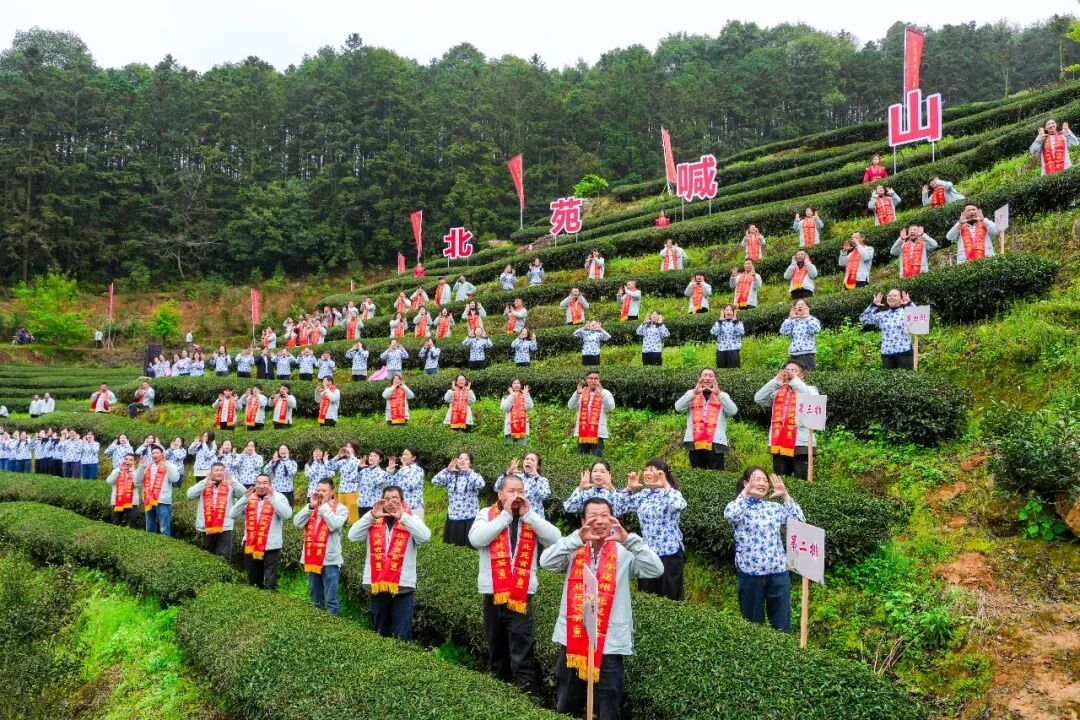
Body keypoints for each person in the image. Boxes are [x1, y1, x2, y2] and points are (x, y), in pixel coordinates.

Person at [540, 497, 663, 720]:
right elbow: (546, 562)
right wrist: (575, 538)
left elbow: (656, 569)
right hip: (573, 638)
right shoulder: (574, 548)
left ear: (613, 519)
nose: (599, 521)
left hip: (610, 642)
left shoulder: (624, 552)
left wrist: (629, 540)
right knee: (567, 701)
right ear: (583, 521)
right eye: (593, 516)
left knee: (609, 703)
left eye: (605, 515)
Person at [469, 474, 562, 693]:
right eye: (511, 491)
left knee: (522, 651)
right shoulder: (486, 514)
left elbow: (556, 538)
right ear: (500, 494)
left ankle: (526, 696)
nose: (516, 495)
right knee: (497, 649)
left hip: (521, 596)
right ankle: (501, 695)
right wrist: (505, 516)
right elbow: (476, 540)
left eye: (520, 491)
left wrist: (529, 516)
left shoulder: (531, 516)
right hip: (493, 594)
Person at [724, 467, 804, 632]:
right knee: (752, 626)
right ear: (746, 483)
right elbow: (730, 516)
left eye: (765, 480)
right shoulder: (739, 507)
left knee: (782, 624)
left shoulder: (773, 508)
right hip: (751, 575)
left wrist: (785, 495)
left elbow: (799, 523)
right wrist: (745, 494)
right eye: (757, 479)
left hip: (778, 573)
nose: (762, 483)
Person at [348, 486, 432, 640]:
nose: (390, 502)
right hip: (378, 584)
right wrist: (371, 515)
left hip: (403, 586)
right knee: (379, 633)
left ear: (402, 501)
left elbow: (425, 537)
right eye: (387, 499)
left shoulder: (411, 518)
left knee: (402, 635)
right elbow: (352, 536)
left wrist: (403, 517)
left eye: (395, 499)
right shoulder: (373, 518)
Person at [616, 459, 686, 600]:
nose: (647, 473)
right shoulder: (644, 494)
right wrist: (629, 488)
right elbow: (617, 508)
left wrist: (665, 485)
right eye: (646, 469)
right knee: (647, 596)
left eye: (652, 470)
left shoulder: (671, 493)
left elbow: (679, 505)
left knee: (671, 597)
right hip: (647, 553)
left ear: (662, 474)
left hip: (669, 554)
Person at [754, 362, 819, 480]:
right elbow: (758, 398)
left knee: (803, 482)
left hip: (802, 444)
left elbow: (811, 400)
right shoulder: (778, 392)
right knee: (781, 482)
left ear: (802, 375)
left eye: (794, 371)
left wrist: (794, 381)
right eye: (787, 370)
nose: (789, 373)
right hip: (779, 443)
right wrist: (776, 381)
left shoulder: (810, 389)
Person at [294, 478, 349, 615]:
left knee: (331, 598)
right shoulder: (312, 507)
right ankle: (317, 623)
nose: (320, 493)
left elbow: (334, 525)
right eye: (318, 490)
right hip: (311, 558)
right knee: (315, 596)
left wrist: (323, 506)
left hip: (330, 560)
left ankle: (333, 623)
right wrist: (311, 507)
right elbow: (297, 523)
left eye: (324, 490)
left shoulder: (341, 509)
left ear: (332, 492)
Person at [674, 368, 738, 469]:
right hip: (695, 442)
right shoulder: (692, 394)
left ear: (715, 379)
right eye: (704, 375)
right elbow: (678, 408)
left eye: (711, 376)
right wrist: (694, 393)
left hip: (715, 443)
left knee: (716, 475)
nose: (708, 378)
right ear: (699, 378)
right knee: (697, 473)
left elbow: (733, 411)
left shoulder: (722, 395)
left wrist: (719, 394)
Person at [187, 461, 248, 558]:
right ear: (211, 473)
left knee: (224, 556)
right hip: (207, 525)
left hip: (225, 526)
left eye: (221, 470)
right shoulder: (204, 485)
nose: (219, 472)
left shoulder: (230, 486)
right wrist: (204, 482)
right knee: (207, 554)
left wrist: (233, 481)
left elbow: (245, 494)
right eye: (216, 470)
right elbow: (189, 495)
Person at [432, 452, 485, 546]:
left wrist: (469, 472)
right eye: (460, 458)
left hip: (469, 517)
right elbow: (435, 481)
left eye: (466, 459)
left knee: (469, 548)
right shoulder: (451, 475)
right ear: (456, 461)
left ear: (470, 463)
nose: (462, 461)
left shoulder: (473, 475)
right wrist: (447, 470)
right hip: (453, 516)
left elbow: (481, 484)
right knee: (452, 547)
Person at [860, 289, 917, 369]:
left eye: (895, 295)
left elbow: (919, 318)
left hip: (904, 352)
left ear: (901, 299)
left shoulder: (906, 313)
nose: (891, 297)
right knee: (888, 377)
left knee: (905, 376)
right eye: (889, 296)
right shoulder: (882, 315)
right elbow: (863, 319)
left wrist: (909, 303)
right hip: (887, 353)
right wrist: (874, 305)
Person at [135, 445, 181, 536]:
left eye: (157, 453)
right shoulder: (147, 467)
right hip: (149, 501)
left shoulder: (169, 465)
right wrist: (141, 467)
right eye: (153, 453)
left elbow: (175, 479)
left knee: (164, 529)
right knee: (149, 528)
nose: (154, 455)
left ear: (162, 454)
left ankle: (165, 543)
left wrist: (166, 463)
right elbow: (137, 482)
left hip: (162, 501)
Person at [568, 372, 615, 456]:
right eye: (591, 378)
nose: (593, 381)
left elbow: (611, 408)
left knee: (598, 458)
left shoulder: (605, 392)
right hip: (582, 432)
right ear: (587, 380)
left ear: (599, 380)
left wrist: (602, 393)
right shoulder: (580, 392)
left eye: (596, 378)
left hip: (597, 433)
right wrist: (577, 394)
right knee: (581, 459)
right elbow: (571, 406)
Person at [495, 454, 551, 519]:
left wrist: (536, 476)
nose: (528, 461)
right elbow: (497, 488)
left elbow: (545, 495)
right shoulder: (516, 477)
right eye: (527, 459)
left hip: (534, 520)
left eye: (532, 460)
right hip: (515, 519)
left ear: (537, 466)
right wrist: (508, 472)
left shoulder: (542, 480)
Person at [780, 300, 821, 370]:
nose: (800, 306)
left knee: (808, 374)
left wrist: (807, 317)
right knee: (794, 375)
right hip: (794, 354)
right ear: (794, 309)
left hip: (807, 354)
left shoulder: (812, 319)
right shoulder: (793, 321)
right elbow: (783, 332)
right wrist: (790, 318)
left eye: (802, 305)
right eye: (798, 305)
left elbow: (816, 330)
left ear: (807, 308)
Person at [384, 448, 426, 518]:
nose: (403, 456)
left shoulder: (418, 470)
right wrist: (390, 470)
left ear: (414, 457)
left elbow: (411, 484)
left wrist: (405, 470)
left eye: (406, 454)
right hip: (400, 508)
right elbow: (390, 485)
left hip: (414, 508)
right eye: (403, 454)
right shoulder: (402, 470)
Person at [106, 454, 139, 527]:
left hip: (132, 502)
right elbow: (109, 481)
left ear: (134, 462)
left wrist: (132, 475)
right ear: (123, 460)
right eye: (126, 459)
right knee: (115, 522)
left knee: (131, 523)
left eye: (131, 460)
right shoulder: (117, 470)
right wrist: (118, 471)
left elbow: (137, 484)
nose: (128, 461)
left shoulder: (136, 472)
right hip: (118, 500)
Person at [501, 379, 534, 444]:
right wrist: (511, 396)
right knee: (509, 448)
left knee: (522, 448)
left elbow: (529, 407)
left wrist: (526, 395)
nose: (516, 385)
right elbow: (505, 408)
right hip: (510, 427)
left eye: (518, 383)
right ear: (511, 386)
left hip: (522, 427)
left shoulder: (524, 394)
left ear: (521, 385)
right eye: (514, 383)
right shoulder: (506, 396)